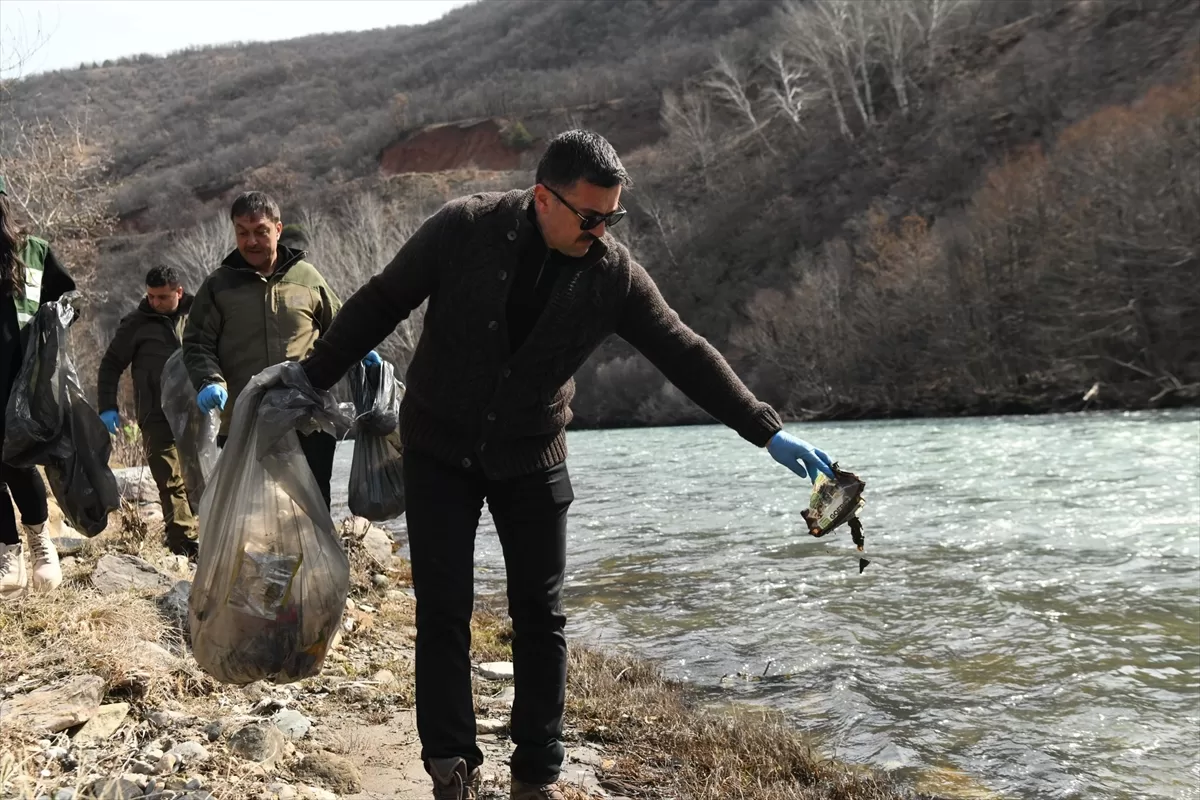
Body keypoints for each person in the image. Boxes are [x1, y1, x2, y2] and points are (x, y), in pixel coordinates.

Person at [298, 130, 836, 800]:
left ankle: (537, 776)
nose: (601, 230)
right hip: (438, 447)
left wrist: (766, 431)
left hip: (532, 453)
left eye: (612, 217)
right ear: (542, 198)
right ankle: (449, 765)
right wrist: (313, 377)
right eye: (590, 216)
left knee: (540, 613)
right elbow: (382, 301)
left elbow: (683, 350)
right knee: (443, 609)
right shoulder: (463, 228)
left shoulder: (612, 275)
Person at [181, 191, 378, 509]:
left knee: (312, 513)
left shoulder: (307, 277)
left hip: (308, 417)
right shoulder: (218, 286)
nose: (251, 241)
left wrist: (360, 350)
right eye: (242, 232)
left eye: (260, 230)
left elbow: (340, 327)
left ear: (278, 228)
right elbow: (196, 343)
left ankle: (316, 561)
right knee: (254, 518)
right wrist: (209, 380)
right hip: (245, 422)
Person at [0, 175, 75, 598]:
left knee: (18, 458)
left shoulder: (33, 252)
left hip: (21, 381)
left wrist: (56, 324)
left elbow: (68, 297)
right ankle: (6, 548)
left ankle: (38, 538)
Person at [96, 265, 198, 557]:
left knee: (203, 474)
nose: (155, 303)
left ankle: (216, 533)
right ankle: (184, 542)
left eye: (162, 297)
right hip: (154, 412)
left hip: (197, 412)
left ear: (179, 292)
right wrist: (108, 407)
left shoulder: (200, 315)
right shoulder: (137, 324)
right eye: (151, 296)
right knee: (169, 478)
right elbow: (111, 364)